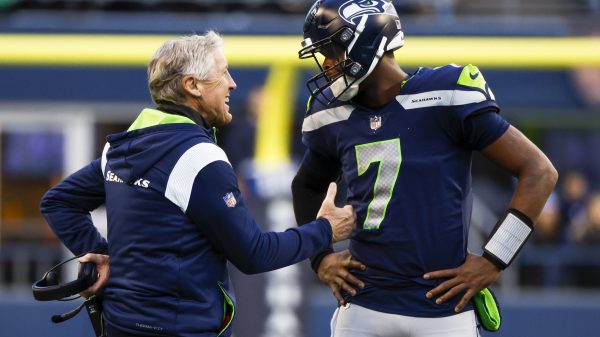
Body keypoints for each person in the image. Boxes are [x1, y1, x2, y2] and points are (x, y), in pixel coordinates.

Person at [40, 31, 356, 337]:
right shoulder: (199, 157)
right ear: (192, 86)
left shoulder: (121, 147)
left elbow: (57, 202)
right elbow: (255, 254)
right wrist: (325, 229)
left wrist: (99, 253)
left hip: (120, 324)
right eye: (223, 73)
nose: (232, 83)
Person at [292, 1, 558, 336]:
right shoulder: (330, 112)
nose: (327, 65)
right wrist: (321, 259)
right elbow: (306, 186)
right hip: (363, 304)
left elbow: (539, 171)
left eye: (332, 51)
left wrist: (494, 260)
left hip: (443, 309)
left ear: (365, 40)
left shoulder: (445, 93)